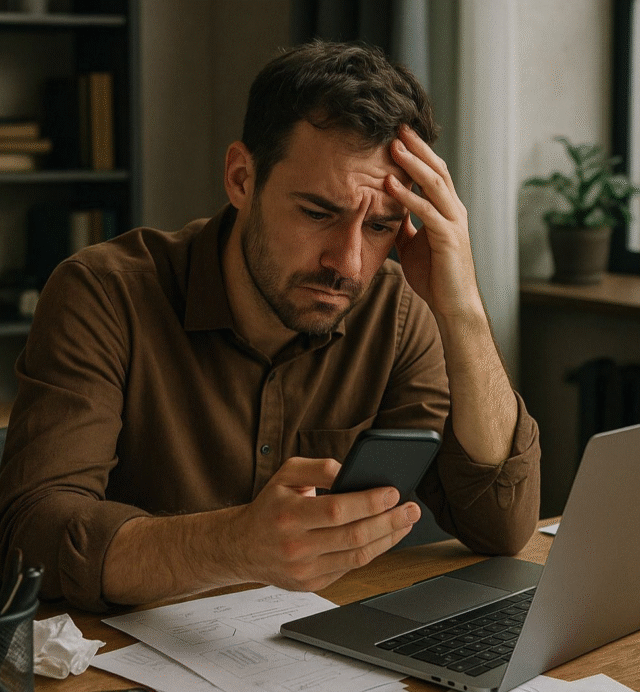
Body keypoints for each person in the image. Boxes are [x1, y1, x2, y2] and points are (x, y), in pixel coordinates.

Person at [0, 41, 540, 612]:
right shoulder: (104, 293)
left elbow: (500, 526)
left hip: (320, 669)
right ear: (240, 178)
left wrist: (463, 310)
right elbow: (32, 536)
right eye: (317, 213)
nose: (348, 264)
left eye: (381, 226)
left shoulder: (398, 309)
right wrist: (234, 544)